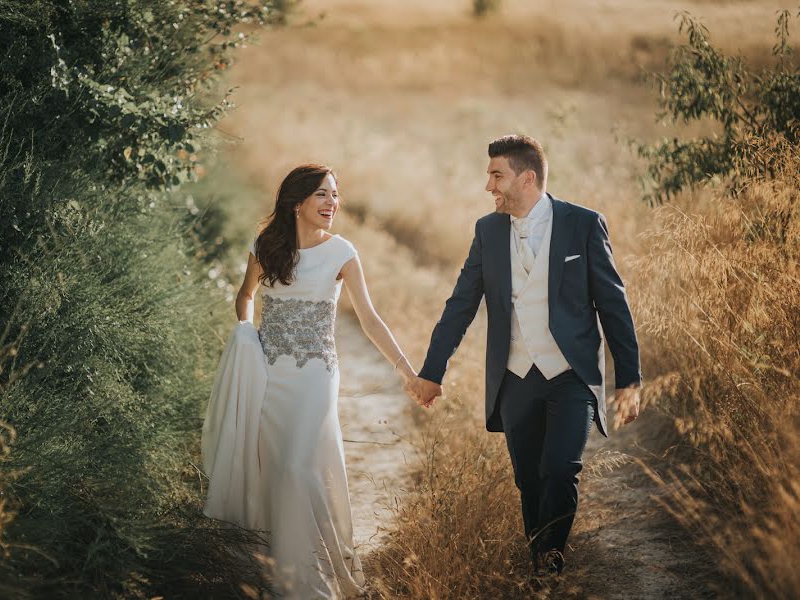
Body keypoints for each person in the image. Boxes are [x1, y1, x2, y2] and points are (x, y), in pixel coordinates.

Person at [406, 134, 642, 579]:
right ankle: (539, 556)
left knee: (560, 469)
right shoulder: (487, 231)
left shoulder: (584, 224)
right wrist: (432, 372)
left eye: (497, 175)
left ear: (527, 177)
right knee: (529, 480)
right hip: (515, 377)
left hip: (570, 374)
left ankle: (551, 562)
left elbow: (613, 304)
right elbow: (460, 305)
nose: (488, 186)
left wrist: (629, 379)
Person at [203, 164, 418, 599]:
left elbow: (370, 319)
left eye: (335, 195)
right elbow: (246, 294)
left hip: (316, 374)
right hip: (267, 370)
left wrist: (408, 372)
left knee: (298, 466)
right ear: (296, 202)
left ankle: (307, 582)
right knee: (274, 466)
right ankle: (275, 570)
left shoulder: (342, 253)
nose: (332, 203)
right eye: (322, 194)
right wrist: (246, 329)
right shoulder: (266, 246)